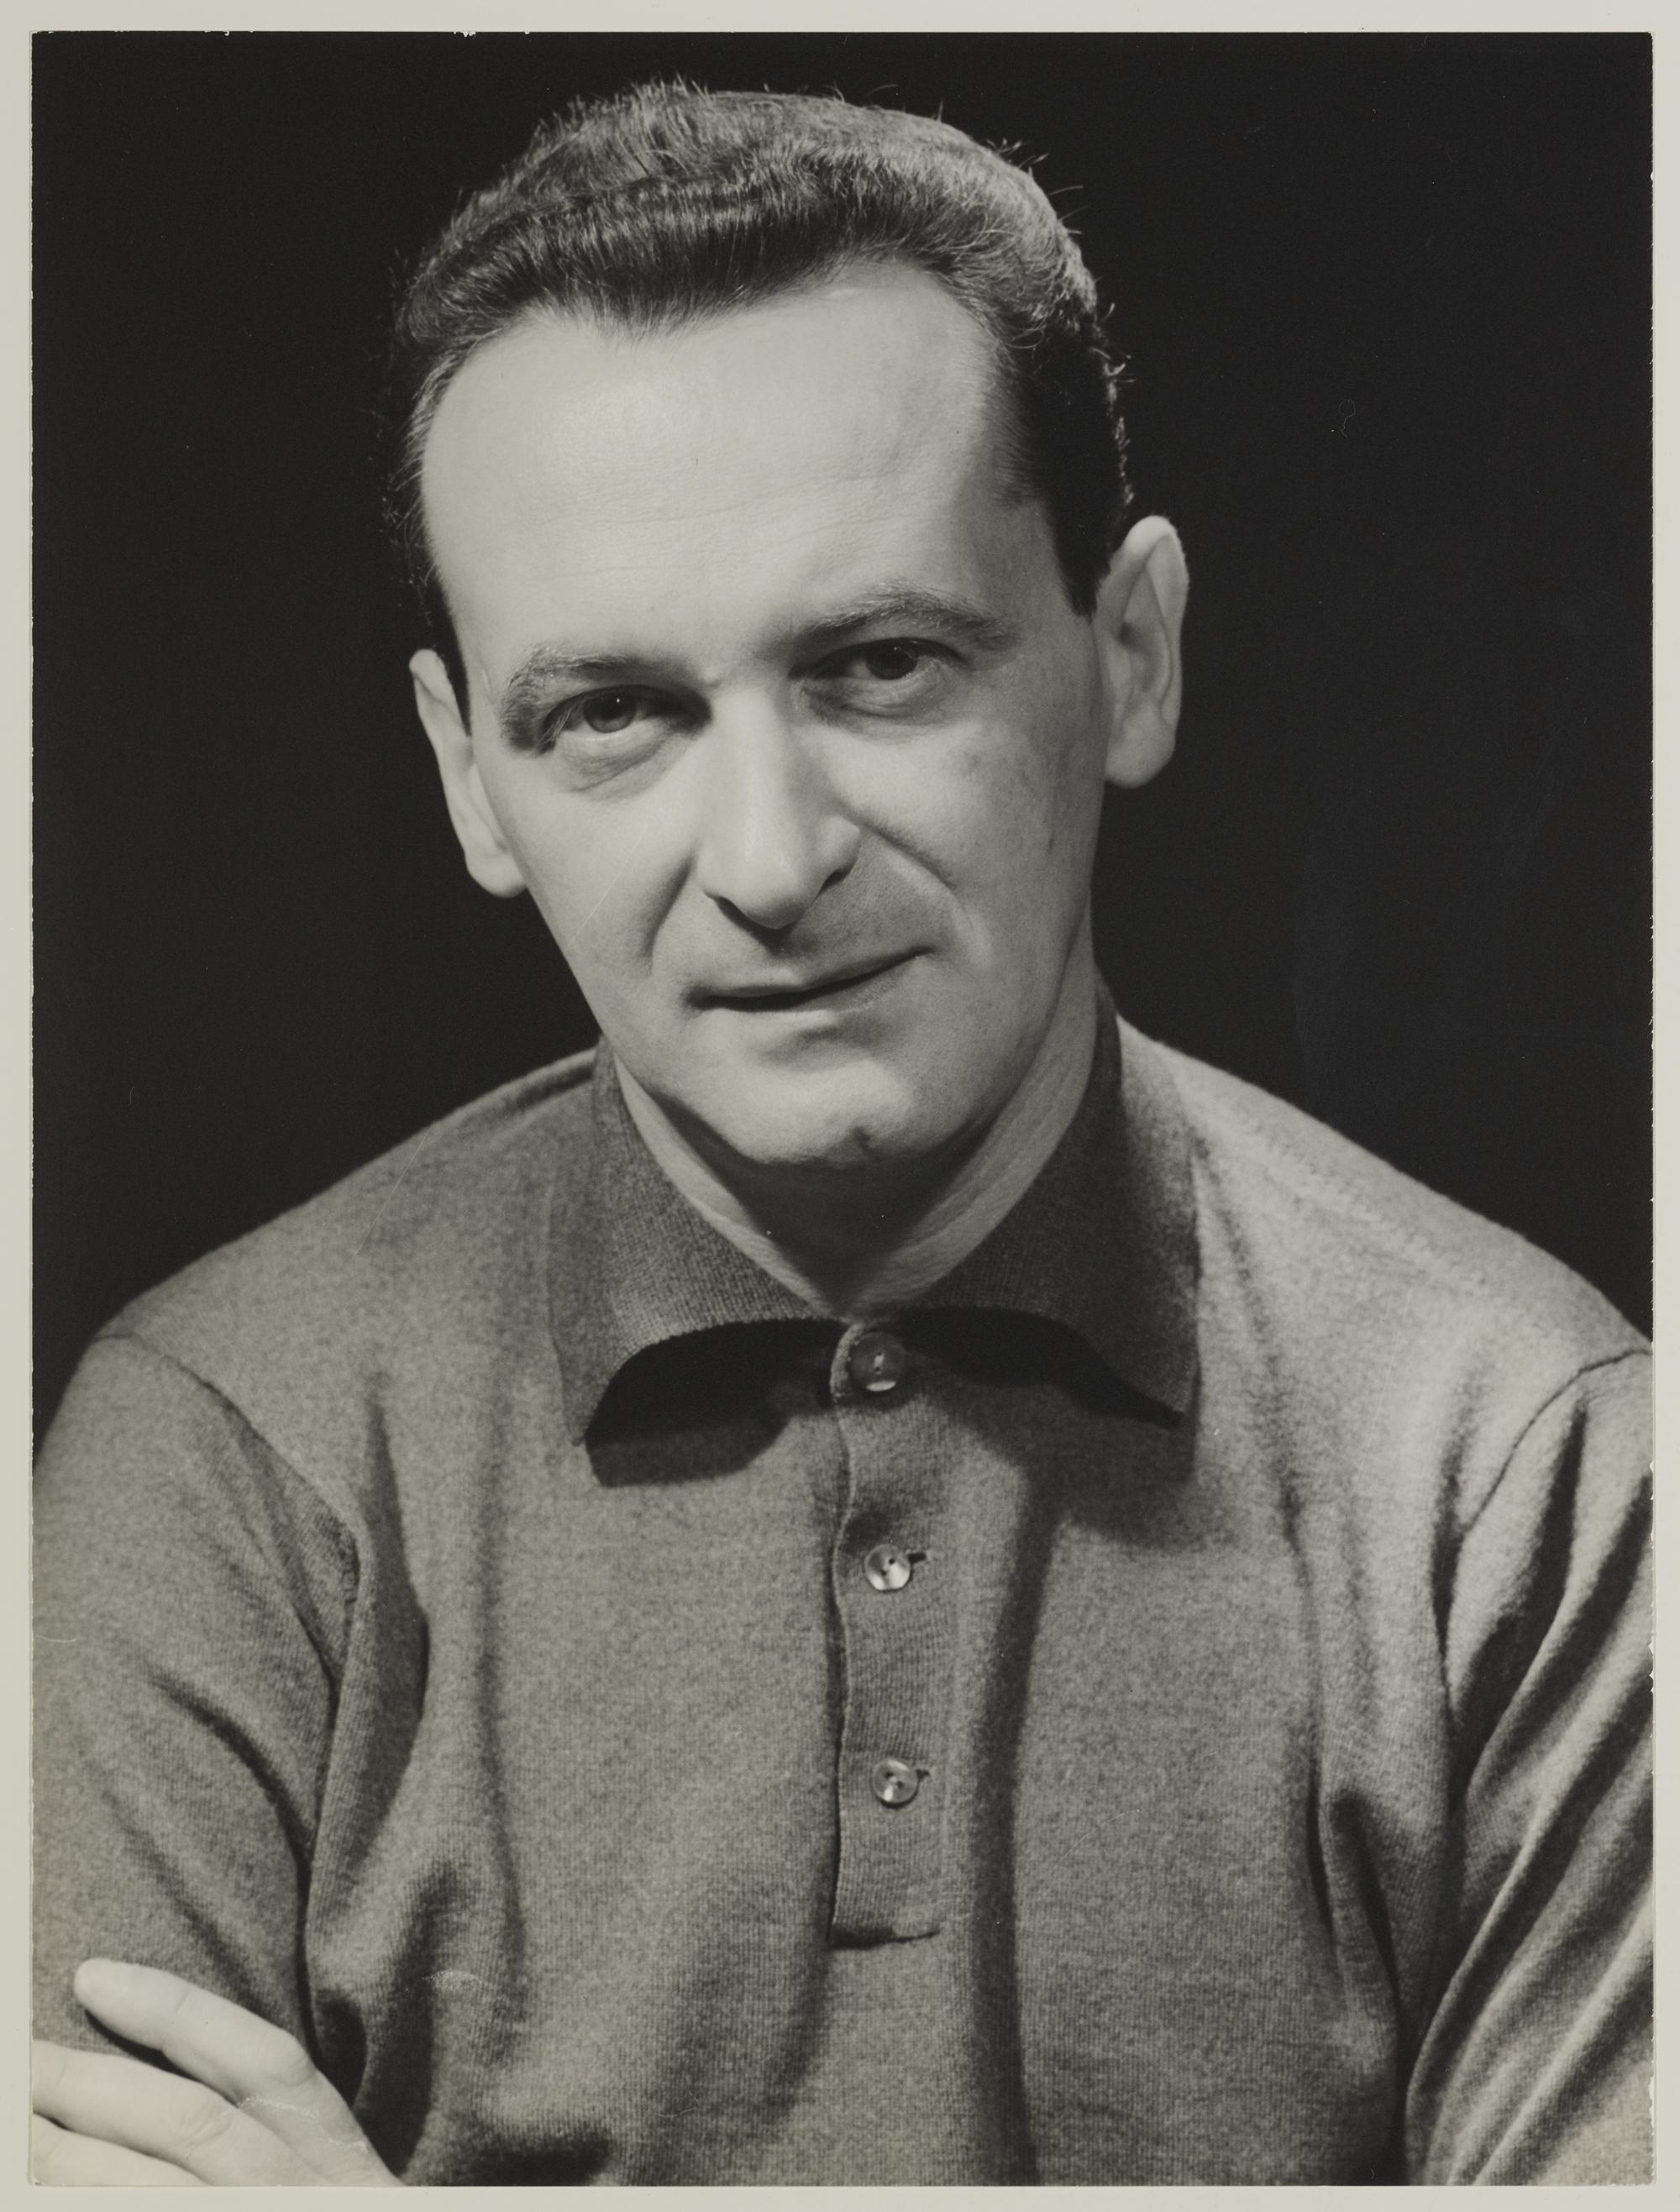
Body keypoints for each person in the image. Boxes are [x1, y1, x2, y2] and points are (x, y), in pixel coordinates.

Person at [32, 82, 1651, 2187]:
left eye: (880, 665)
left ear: (1129, 656)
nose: (768, 859)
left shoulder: (1522, 1471)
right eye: (612, 715)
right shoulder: (225, 1456)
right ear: (467, 780)